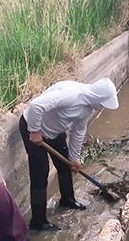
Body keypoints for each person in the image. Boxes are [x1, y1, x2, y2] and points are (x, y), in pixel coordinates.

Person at [19, 77, 119, 231]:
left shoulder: (87, 107)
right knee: (40, 175)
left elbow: (78, 132)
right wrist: (34, 130)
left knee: (65, 165)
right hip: (33, 128)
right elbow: (36, 106)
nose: (101, 107)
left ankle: (67, 199)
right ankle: (38, 222)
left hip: (54, 132)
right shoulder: (71, 95)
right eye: (102, 103)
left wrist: (74, 158)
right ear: (98, 98)